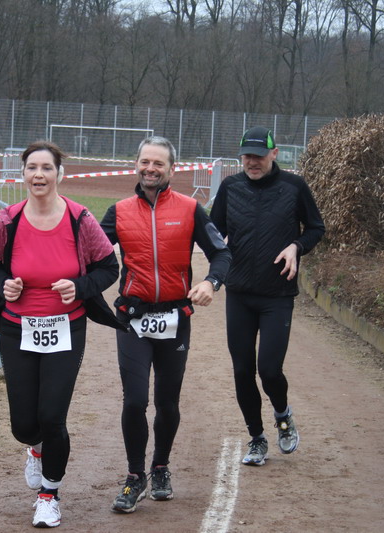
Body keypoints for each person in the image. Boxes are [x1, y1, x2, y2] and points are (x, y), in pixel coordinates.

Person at [0, 140, 122, 528]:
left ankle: (49, 495)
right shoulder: (8, 220)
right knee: (24, 426)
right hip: (18, 328)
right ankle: (36, 449)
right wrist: (3, 284)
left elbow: (109, 268)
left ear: (60, 174)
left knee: (52, 416)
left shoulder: (80, 219)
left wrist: (80, 286)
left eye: (46, 168)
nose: (39, 175)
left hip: (66, 328)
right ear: (23, 174)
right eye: (32, 168)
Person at [100, 136, 231, 513]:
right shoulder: (119, 211)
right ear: (136, 165)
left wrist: (210, 282)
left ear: (171, 169)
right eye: (145, 161)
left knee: (167, 401)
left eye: (158, 163)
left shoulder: (190, 209)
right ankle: (134, 476)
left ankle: (160, 468)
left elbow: (221, 253)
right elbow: (87, 251)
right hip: (133, 318)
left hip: (175, 318)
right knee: (135, 400)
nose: (150, 168)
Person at [209, 126, 325, 467]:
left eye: (259, 156)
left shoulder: (294, 187)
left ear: (274, 154)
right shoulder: (230, 187)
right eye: (247, 156)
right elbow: (213, 233)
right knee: (242, 370)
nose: (252, 162)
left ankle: (283, 414)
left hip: (277, 295)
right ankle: (257, 438)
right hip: (239, 294)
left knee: (270, 370)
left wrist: (297, 246)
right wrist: (214, 263)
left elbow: (316, 228)